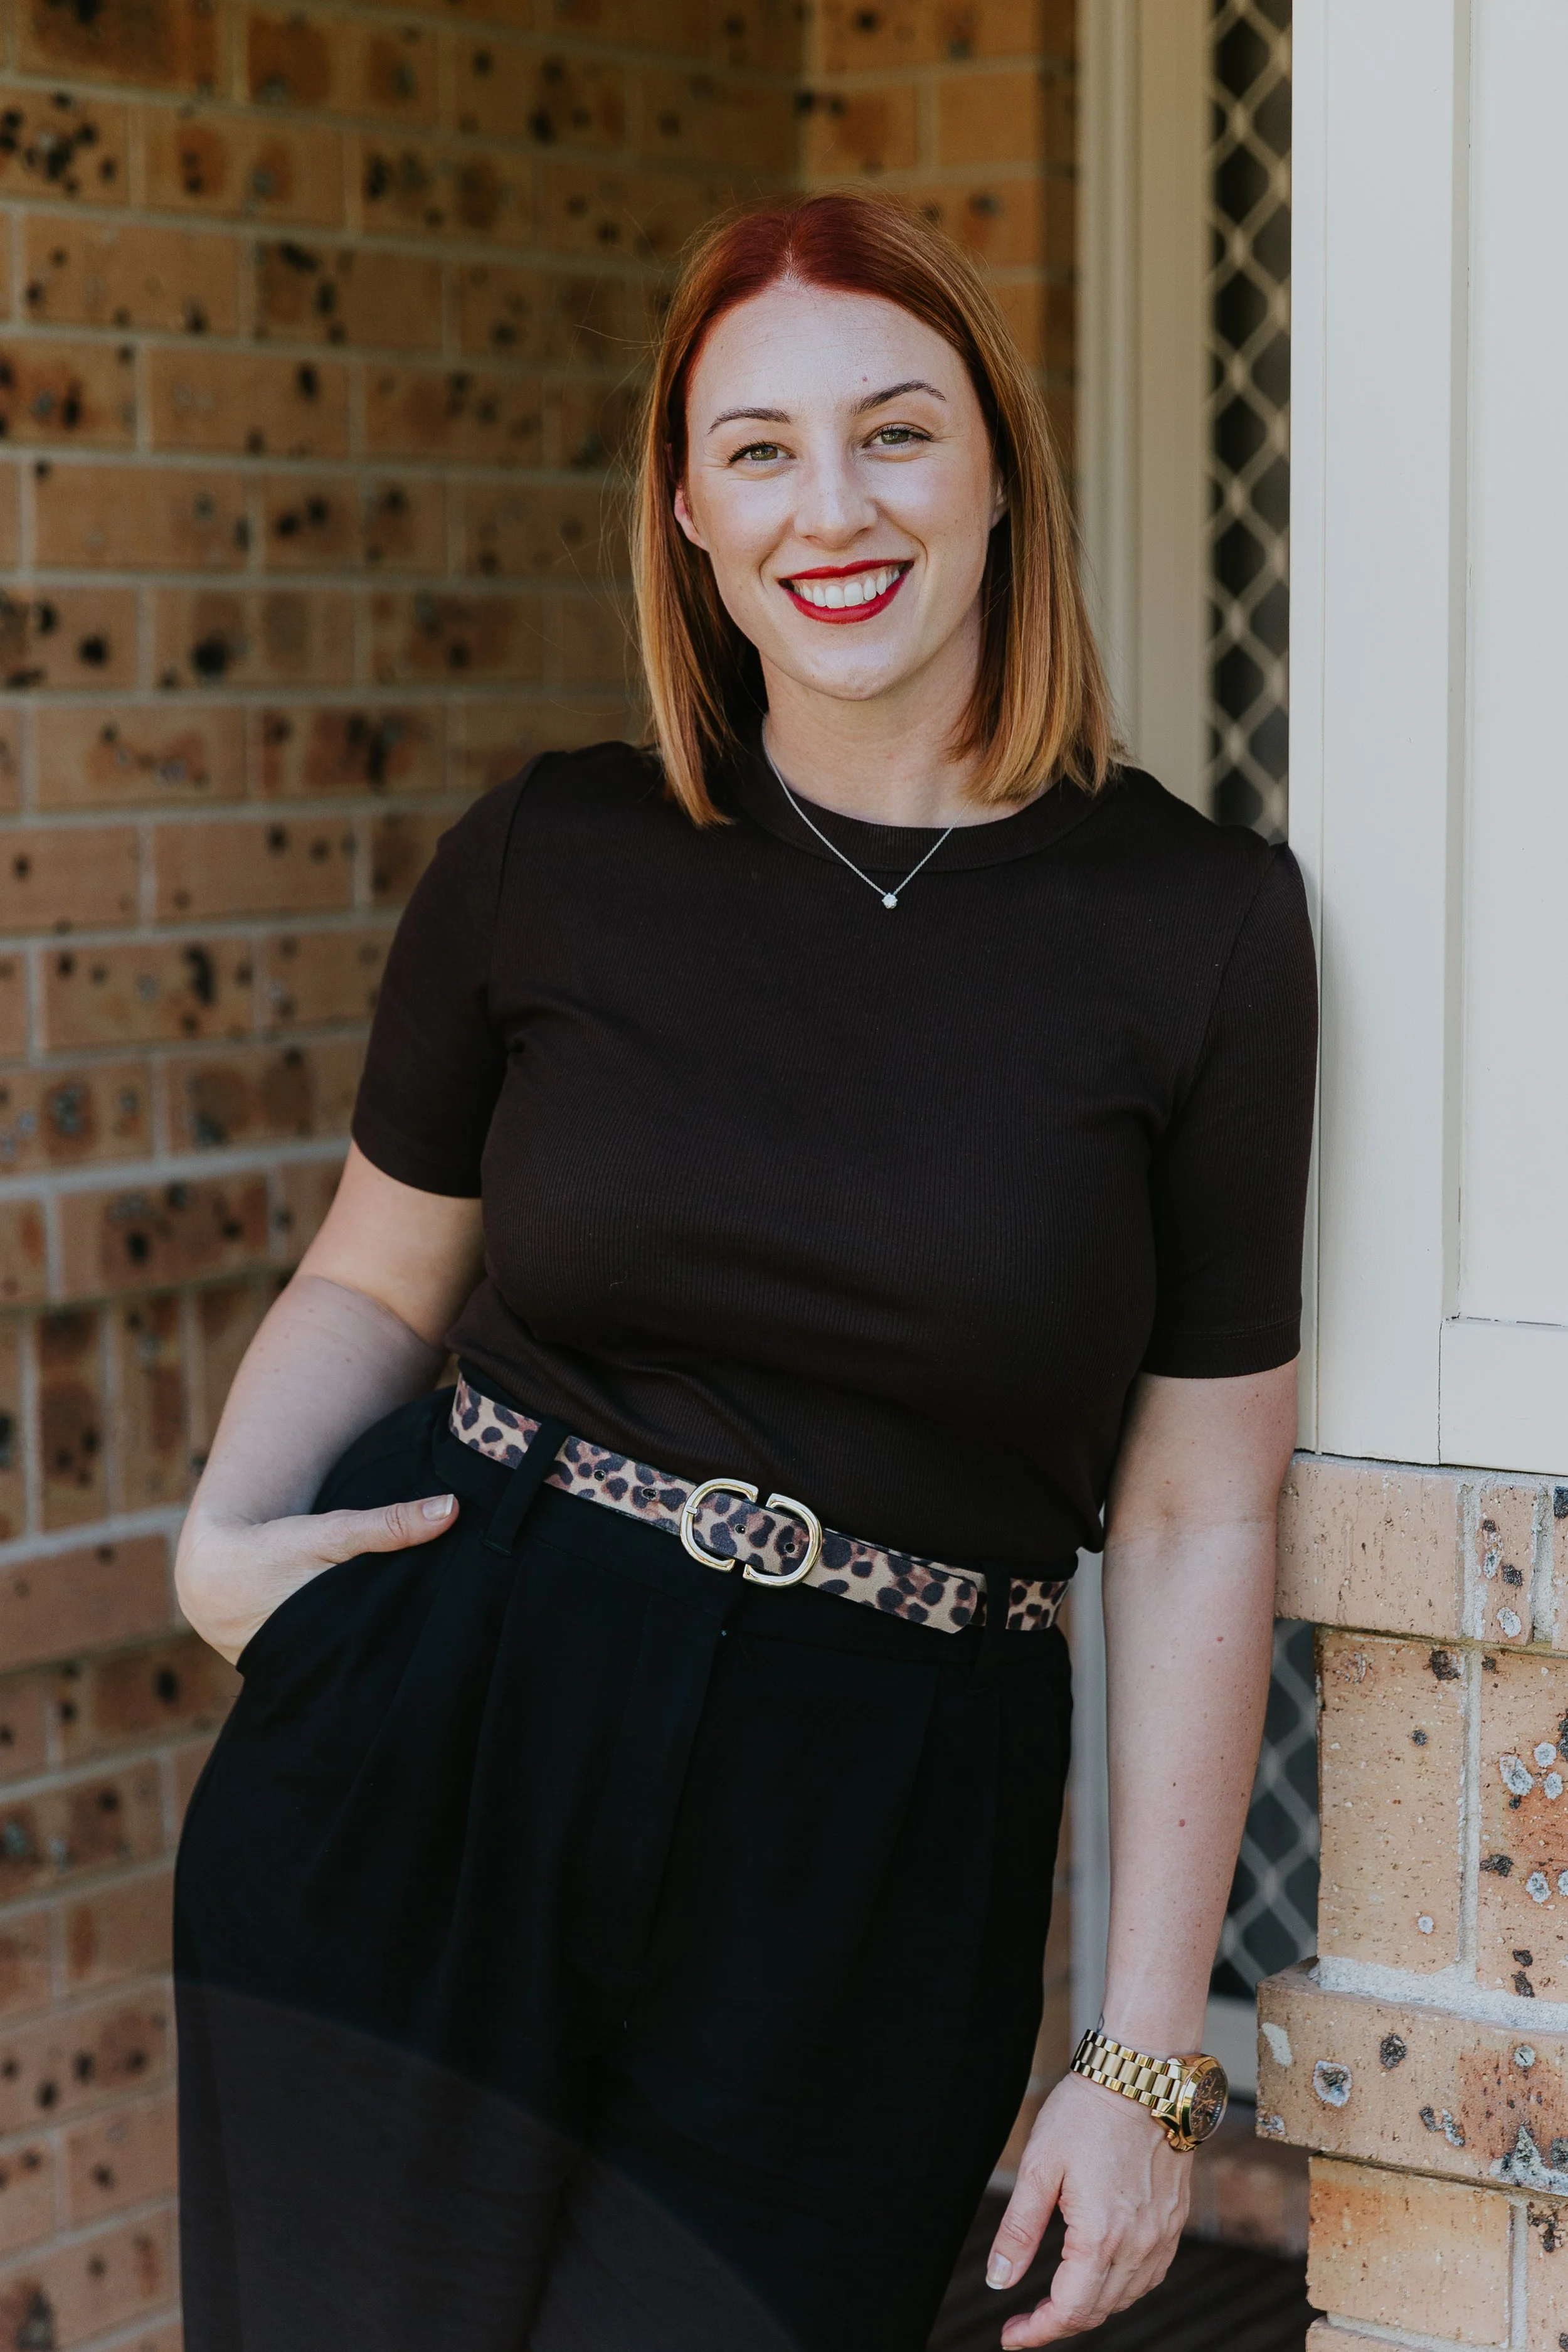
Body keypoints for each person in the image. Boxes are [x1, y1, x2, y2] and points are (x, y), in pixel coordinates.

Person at [172, 190, 1316, 2352]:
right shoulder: (552, 854)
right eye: (761, 452)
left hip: (878, 1832)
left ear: (995, 467)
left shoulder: (1199, 928)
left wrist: (1141, 2051)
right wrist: (229, 1545)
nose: (834, 507)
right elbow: (374, 1278)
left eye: (894, 432)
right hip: (447, 1736)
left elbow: (1192, 1508)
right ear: (688, 510)